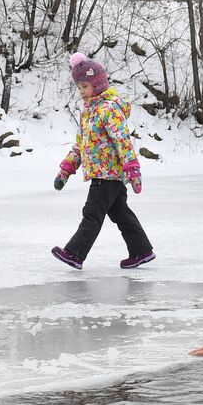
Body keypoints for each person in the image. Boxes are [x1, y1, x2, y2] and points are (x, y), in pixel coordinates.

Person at [51, 52, 155, 270]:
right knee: (121, 214)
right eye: (79, 87)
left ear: (97, 84)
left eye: (85, 86)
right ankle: (141, 250)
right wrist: (66, 169)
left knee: (92, 214)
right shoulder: (88, 112)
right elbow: (81, 145)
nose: (81, 92)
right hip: (104, 173)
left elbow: (123, 141)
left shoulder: (109, 109)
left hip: (108, 173)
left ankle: (75, 253)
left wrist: (133, 170)